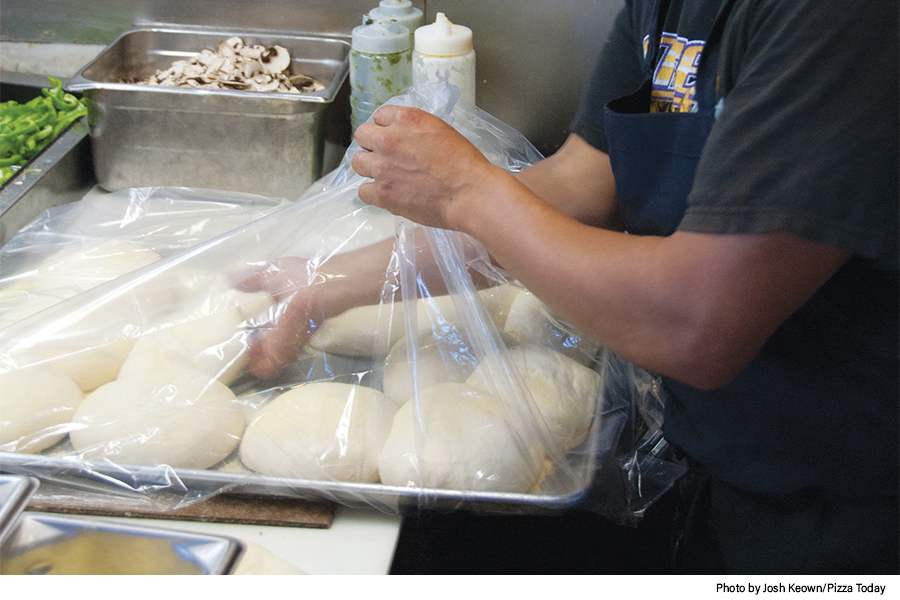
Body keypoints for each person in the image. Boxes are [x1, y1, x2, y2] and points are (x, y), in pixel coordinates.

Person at [243, 0, 898, 574]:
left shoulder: (842, 17)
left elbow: (699, 324)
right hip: (708, 455)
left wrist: (467, 189)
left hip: (841, 506)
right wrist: (326, 285)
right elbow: (581, 186)